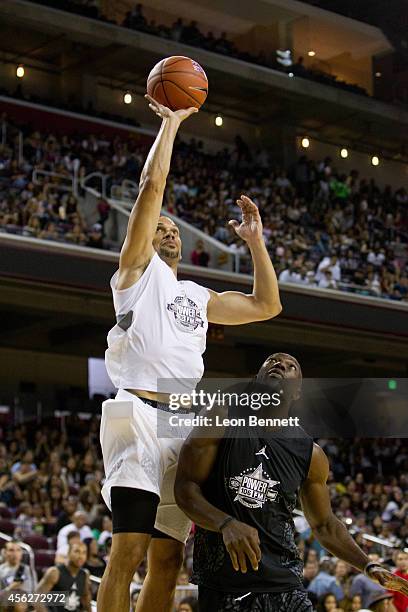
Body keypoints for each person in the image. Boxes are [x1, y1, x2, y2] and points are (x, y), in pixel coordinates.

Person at [97, 94, 282, 612]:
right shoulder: (134, 273)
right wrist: (173, 124)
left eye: (174, 229)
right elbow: (151, 188)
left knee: (168, 561)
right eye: (162, 228)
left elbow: (267, 305)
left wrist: (256, 242)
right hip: (135, 414)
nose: (170, 231)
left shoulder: (198, 295)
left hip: (181, 422)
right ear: (144, 238)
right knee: (128, 551)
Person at [175, 352, 408, 611]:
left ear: (297, 391)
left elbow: (325, 525)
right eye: (272, 362)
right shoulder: (221, 416)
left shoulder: (310, 453)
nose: (280, 366)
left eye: (290, 367)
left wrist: (368, 564)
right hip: (224, 583)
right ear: (256, 380)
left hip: (284, 582)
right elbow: (185, 488)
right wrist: (226, 524)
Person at [35, 541, 91, 612]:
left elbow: (86, 598)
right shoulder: (55, 572)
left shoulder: (85, 574)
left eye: (84, 553)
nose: (80, 556)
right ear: (68, 553)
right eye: (77, 551)